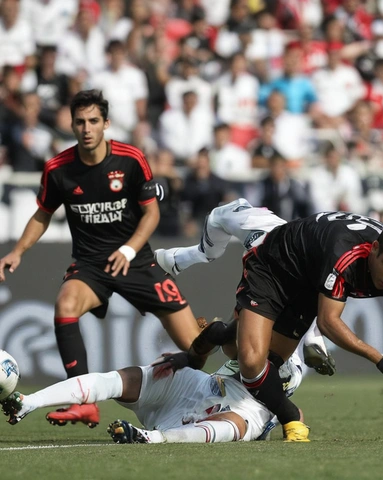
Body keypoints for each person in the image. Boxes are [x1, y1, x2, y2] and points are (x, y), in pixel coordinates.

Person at [0, 89, 205, 428]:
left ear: (106, 123)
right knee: (66, 304)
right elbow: (42, 214)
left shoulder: (131, 159)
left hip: (137, 261)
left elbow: (150, 215)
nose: (86, 128)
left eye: (93, 121)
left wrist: (128, 249)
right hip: (90, 265)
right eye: (79, 121)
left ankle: (228, 375)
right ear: (71, 124)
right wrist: (18, 251)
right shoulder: (58, 168)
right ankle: (83, 402)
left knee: (197, 349)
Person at [159, 200, 383, 443]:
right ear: (374, 248)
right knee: (249, 360)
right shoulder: (345, 254)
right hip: (276, 262)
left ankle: (220, 332)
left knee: (263, 363)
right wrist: (380, 359)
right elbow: (329, 322)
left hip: (310, 283)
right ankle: (289, 416)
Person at [154, 198, 335, 376]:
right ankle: (169, 261)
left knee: (211, 254)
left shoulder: (293, 260)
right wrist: (313, 340)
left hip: (272, 239)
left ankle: (170, 261)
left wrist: (313, 340)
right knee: (209, 252)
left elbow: (312, 302)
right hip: (228, 221)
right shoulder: (275, 260)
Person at [1, 352, 304, 444]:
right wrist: (187, 356)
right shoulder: (253, 340)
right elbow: (221, 335)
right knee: (122, 379)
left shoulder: (271, 408)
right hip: (197, 386)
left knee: (237, 425)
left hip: (236, 410)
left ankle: (150, 438)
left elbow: (297, 416)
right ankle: (30, 402)